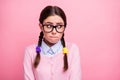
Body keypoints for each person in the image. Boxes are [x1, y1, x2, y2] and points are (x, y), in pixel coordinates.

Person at [23, 5, 81, 80]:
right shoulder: (30, 51)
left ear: (64, 27)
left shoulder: (72, 49)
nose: (54, 32)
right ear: (41, 27)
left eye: (59, 26)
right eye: (49, 26)